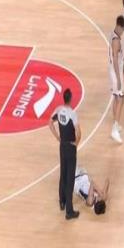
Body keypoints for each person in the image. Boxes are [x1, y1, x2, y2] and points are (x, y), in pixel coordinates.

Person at [49, 89, 81, 220]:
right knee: (70, 178)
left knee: (63, 173)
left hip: (62, 146)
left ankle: (61, 201)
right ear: (71, 98)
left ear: (64, 98)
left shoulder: (58, 110)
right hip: (70, 147)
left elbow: (50, 122)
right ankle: (69, 211)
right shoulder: (72, 114)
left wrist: (57, 137)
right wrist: (76, 143)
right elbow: (79, 132)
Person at [109, 15, 124, 144]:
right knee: (121, 99)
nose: (122, 32)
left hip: (113, 71)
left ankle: (116, 123)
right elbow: (115, 59)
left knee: (116, 98)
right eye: (122, 30)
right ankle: (114, 129)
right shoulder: (116, 41)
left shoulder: (112, 34)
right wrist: (119, 78)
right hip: (115, 72)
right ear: (120, 27)